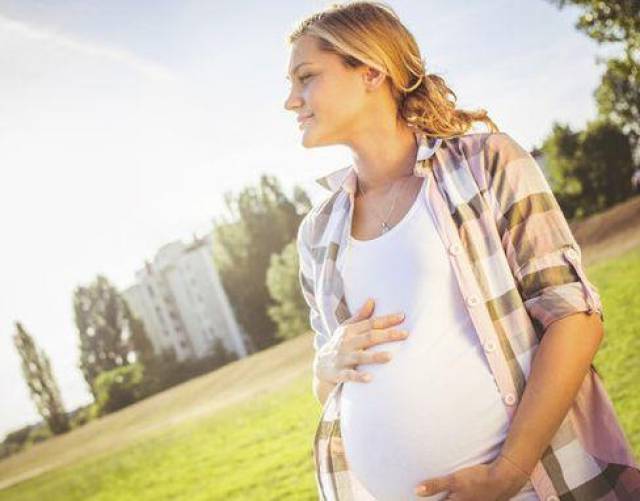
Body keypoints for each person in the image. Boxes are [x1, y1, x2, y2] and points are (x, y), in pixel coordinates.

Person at [284, 2, 640, 500]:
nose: (291, 101)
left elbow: (575, 319)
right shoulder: (318, 233)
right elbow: (332, 389)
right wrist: (324, 364)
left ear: (370, 70)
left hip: (528, 487)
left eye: (305, 77)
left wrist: (508, 472)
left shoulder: (486, 163)